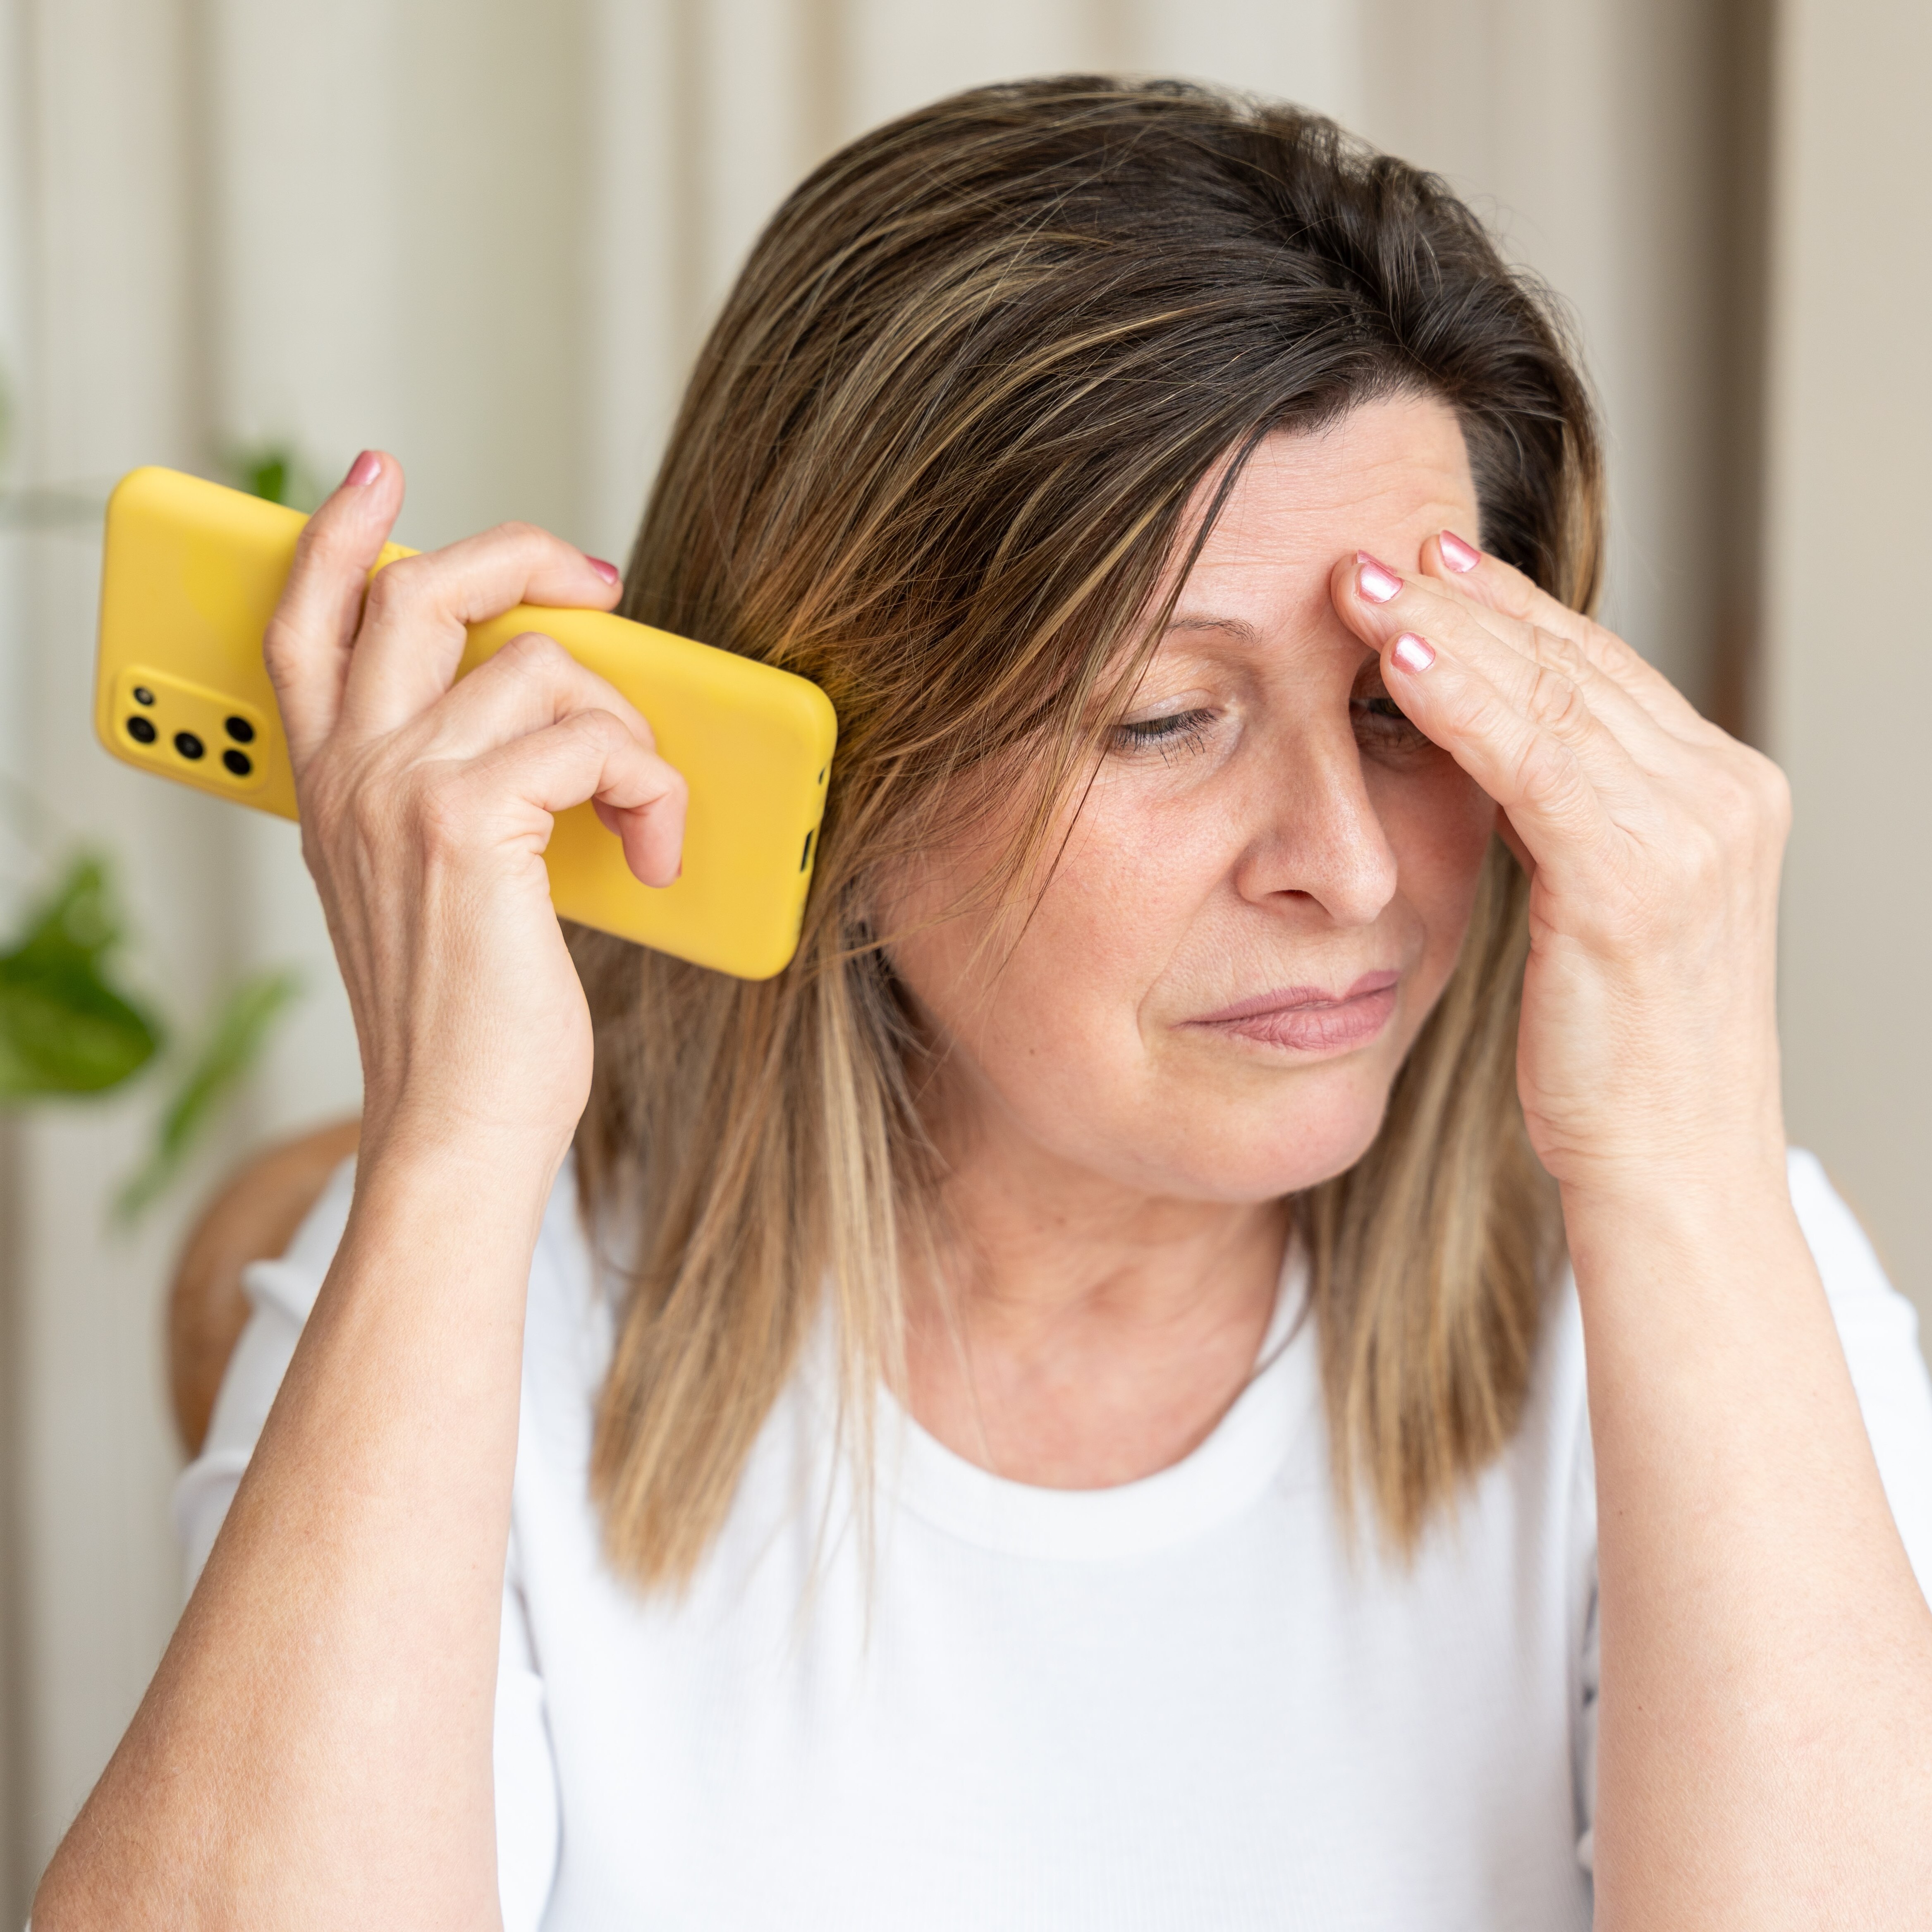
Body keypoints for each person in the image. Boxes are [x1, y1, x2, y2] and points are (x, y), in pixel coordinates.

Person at [33, 77, 1932, 1930]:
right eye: (1166, 719)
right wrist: (451, 1146)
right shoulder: (475, 1308)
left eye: (1403, 710)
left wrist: (1684, 1155)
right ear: (835, 775)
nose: (1349, 868)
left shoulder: (1707, 1279)